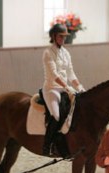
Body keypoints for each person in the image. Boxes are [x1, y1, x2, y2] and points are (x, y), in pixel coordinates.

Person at [42, 23, 85, 156]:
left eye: (64, 36)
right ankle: (47, 145)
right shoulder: (48, 53)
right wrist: (67, 87)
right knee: (56, 115)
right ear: (54, 36)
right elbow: (54, 75)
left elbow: (71, 73)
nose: (63, 39)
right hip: (52, 89)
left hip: (65, 89)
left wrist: (80, 87)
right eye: (60, 36)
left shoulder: (66, 53)